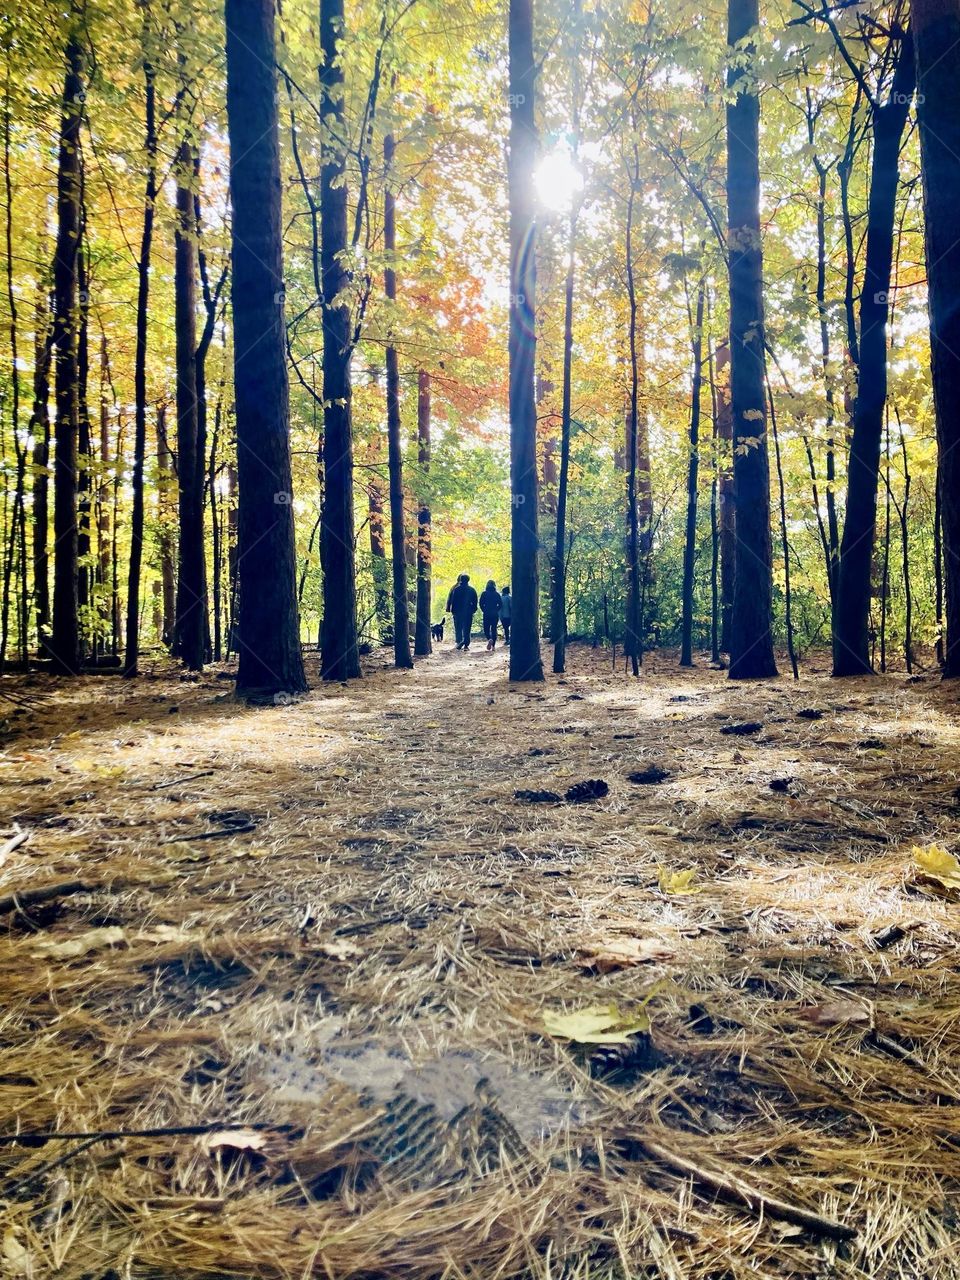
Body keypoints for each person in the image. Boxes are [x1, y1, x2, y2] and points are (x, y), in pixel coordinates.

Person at [446, 574, 478, 650]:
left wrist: (451, 610)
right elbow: (475, 601)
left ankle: (458, 642)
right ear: (468, 580)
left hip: (457, 611)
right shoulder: (472, 590)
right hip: (468, 612)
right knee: (467, 628)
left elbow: (453, 601)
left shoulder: (456, 589)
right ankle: (466, 645)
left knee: (458, 627)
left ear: (460, 580)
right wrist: (473, 610)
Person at [479, 580, 502, 651]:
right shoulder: (497, 594)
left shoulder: (484, 594)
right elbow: (500, 604)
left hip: (486, 613)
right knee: (494, 629)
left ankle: (489, 639)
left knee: (486, 629)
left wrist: (484, 609)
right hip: (494, 614)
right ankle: (493, 646)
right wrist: (496, 609)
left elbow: (480, 603)